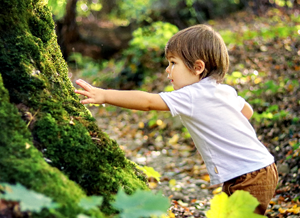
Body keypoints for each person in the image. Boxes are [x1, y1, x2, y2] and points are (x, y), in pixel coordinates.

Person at [74, 24, 278, 215]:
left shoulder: (192, 95)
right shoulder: (222, 90)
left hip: (249, 176)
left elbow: (147, 102)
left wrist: (105, 95)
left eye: (173, 63)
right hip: (257, 169)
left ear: (198, 67)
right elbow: (248, 112)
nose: (167, 69)